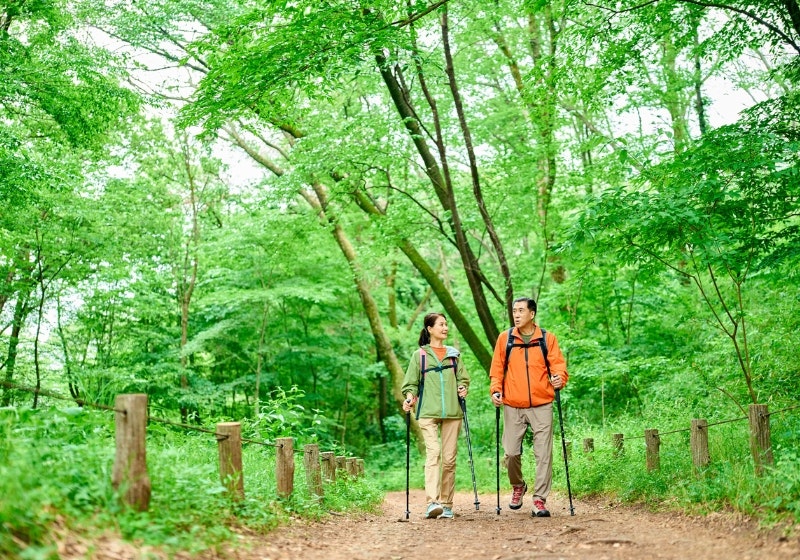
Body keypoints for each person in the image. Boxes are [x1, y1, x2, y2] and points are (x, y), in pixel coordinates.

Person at [489, 297, 568, 517]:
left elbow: (558, 366)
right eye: (514, 311)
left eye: (521, 311)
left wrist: (559, 378)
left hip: (542, 404)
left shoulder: (546, 339)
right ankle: (518, 485)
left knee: (543, 454)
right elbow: (496, 369)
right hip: (513, 404)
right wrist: (495, 390)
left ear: (531, 314)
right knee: (511, 453)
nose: (516, 315)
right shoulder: (505, 339)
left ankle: (539, 500)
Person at [402, 312, 469, 519]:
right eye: (441, 324)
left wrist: (462, 387)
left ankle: (447, 505)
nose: (445, 327)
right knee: (434, 453)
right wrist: (410, 397)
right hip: (427, 412)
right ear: (430, 329)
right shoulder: (419, 356)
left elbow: (463, 378)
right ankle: (432, 503)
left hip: (452, 411)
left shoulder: (454, 355)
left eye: (446, 324)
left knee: (449, 459)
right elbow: (410, 384)